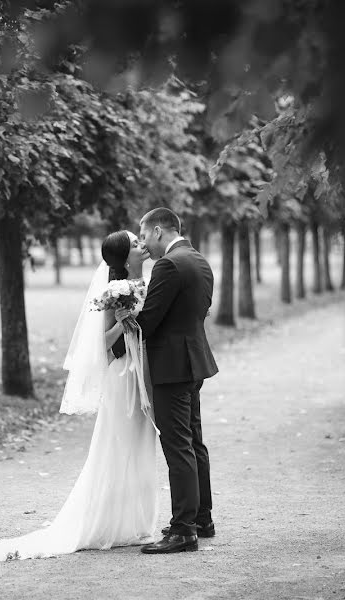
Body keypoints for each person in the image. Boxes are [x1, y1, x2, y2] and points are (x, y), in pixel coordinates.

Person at [0, 230, 159, 562]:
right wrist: (122, 321)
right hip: (123, 377)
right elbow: (101, 345)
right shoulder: (113, 292)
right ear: (123, 257)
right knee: (118, 446)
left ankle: (136, 523)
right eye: (134, 244)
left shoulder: (153, 280)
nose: (141, 246)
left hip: (147, 374)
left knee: (143, 447)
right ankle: (105, 523)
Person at [116, 207, 218, 554]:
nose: (143, 243)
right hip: (194, 362)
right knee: (194, 442)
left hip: (172, 368)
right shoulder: (199, 260)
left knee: (178, 447)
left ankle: (183, 530)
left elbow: (150, 321)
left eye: (144, 236)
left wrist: (125, 320)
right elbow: (200, 310)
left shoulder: (168, 265)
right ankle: (202, 518)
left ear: (159, 231)